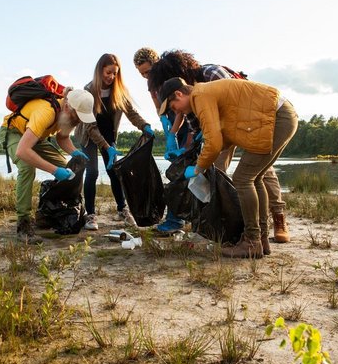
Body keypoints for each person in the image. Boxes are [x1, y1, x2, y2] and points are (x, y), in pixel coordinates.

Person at [148, 49, 291, 248]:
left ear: (179, 91)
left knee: (244, 178)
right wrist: (185, 145)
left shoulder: (204, 89)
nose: (176, 112)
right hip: (262, 122)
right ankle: (260, 239)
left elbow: (215, 139)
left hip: (269, 119)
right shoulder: (195, 98)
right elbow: (210, 132)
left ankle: (253, 239)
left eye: (173, 107)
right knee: (253, 178)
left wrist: (198, 167)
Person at [0, 87, 95, 239]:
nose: (78, 120)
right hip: (14, 132)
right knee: (27, 167)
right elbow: (22, 151)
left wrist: (75, 152)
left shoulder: (70, 115)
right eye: (78, 116)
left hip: (36, 137)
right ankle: (23, 222)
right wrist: (55, 171)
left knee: (68, 167)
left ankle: (49, 213)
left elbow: (62, 138)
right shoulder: (46, 112)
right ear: (68, 106)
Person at [75, 53, 154, 231]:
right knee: (93, 172)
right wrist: (106, 147)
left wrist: (145, 126)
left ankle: (122, 209)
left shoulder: (118, 90)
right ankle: (90, 214)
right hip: (89, 135)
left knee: (114, 171)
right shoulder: (88, 91)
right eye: (108, 72)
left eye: (115, 73)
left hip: (109, 135)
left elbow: (131, 113)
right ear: (100, 70)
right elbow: (90, 126)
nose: (111, 77)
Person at [133, 47, 189, 233]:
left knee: (181, 168)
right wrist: (165, 122)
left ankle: (176, 220)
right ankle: (178, 217)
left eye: (148, 71)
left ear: (156, 64)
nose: (146, 76)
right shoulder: (151, 83)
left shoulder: (171, 77)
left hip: (186, 120)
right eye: (142, 74)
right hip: (172, 120)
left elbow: (182, 108)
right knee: (177, 168)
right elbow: (158, 105)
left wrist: (175, 132)